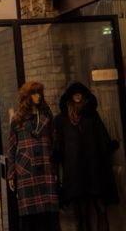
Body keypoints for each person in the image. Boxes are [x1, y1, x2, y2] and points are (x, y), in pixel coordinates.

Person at [54, 81, 119, 230]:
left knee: (101, 208)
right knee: (81, 214)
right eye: (75, 93)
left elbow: (102, 138)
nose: (78, 96)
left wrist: (109, 146)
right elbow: (60, 144)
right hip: (75, 170)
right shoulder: (62, 119)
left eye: (80, 93)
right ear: (70, 96)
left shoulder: (91, 115)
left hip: (94, 169)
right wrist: (57, 156)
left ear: (84, 95)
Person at [7, 82, 59, 231]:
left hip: (45, 165)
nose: (39, 96)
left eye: (39, 93)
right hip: (26, 168)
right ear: (27, 97)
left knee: (48, 212)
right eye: (34, 93)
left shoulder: (46, 116)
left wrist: (54, 167)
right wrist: (11, 174)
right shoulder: (18, 119)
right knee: (29, 214)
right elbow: (11, 147)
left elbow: (53, 141)